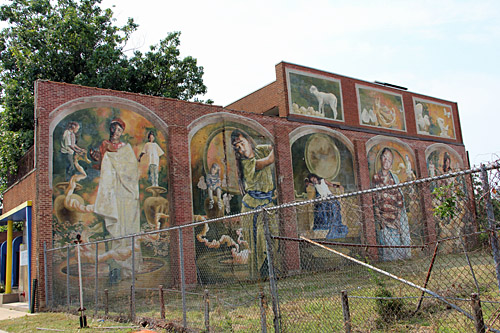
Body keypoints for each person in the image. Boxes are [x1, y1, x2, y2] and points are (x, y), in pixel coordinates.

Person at [90, 118, 141, 278]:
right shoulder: (105, 145)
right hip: (112, 189)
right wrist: (97, 157)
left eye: (119, 130)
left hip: (125, 191)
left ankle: (129, 266)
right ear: (111, 129)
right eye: (114, 129)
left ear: (122, 132)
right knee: (115, 225)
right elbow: (101, 163)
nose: (116, 132)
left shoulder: (126, 148)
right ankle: (115, 268)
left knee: (127, 223)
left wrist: (114, 161)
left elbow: (131, 167)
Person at [231, 129, 277, 279]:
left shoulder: (259, 150)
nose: (241, 149)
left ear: (249, 141)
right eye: (237, 147)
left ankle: (271, 272)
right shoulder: (247, 164)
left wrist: (274, 142)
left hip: (267, 204)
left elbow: (272, 148)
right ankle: (261, 276)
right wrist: (279, 141)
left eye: (242, 143)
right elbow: (270, 159)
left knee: (271, 239)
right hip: (252, 207)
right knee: (257, 243)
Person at [371, 147, 411, 260]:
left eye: (389, 159)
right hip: (383, 217)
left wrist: (398, 218)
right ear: (380, 159)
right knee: (386, 242)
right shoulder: (376, 177)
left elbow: (399, 199)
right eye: (384, 158)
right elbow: (375, 199)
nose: (386, 161)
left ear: (391, 163)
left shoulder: (394, 179)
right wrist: (380, 218)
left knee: (397, 243)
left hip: (395, 217)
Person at [305, 174, 348, 239]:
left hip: (329, 196)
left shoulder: (323, 180)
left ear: (316, 177)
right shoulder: (314, 185)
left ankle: (334, 223)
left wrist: (339, 186)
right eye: (312, 181)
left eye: (314, 179)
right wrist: (306, 180)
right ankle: (325, 224)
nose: (314, 181)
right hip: (323, 199)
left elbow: (331, 184)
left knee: (334, 205)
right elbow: (307, 183)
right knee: (321, 208)